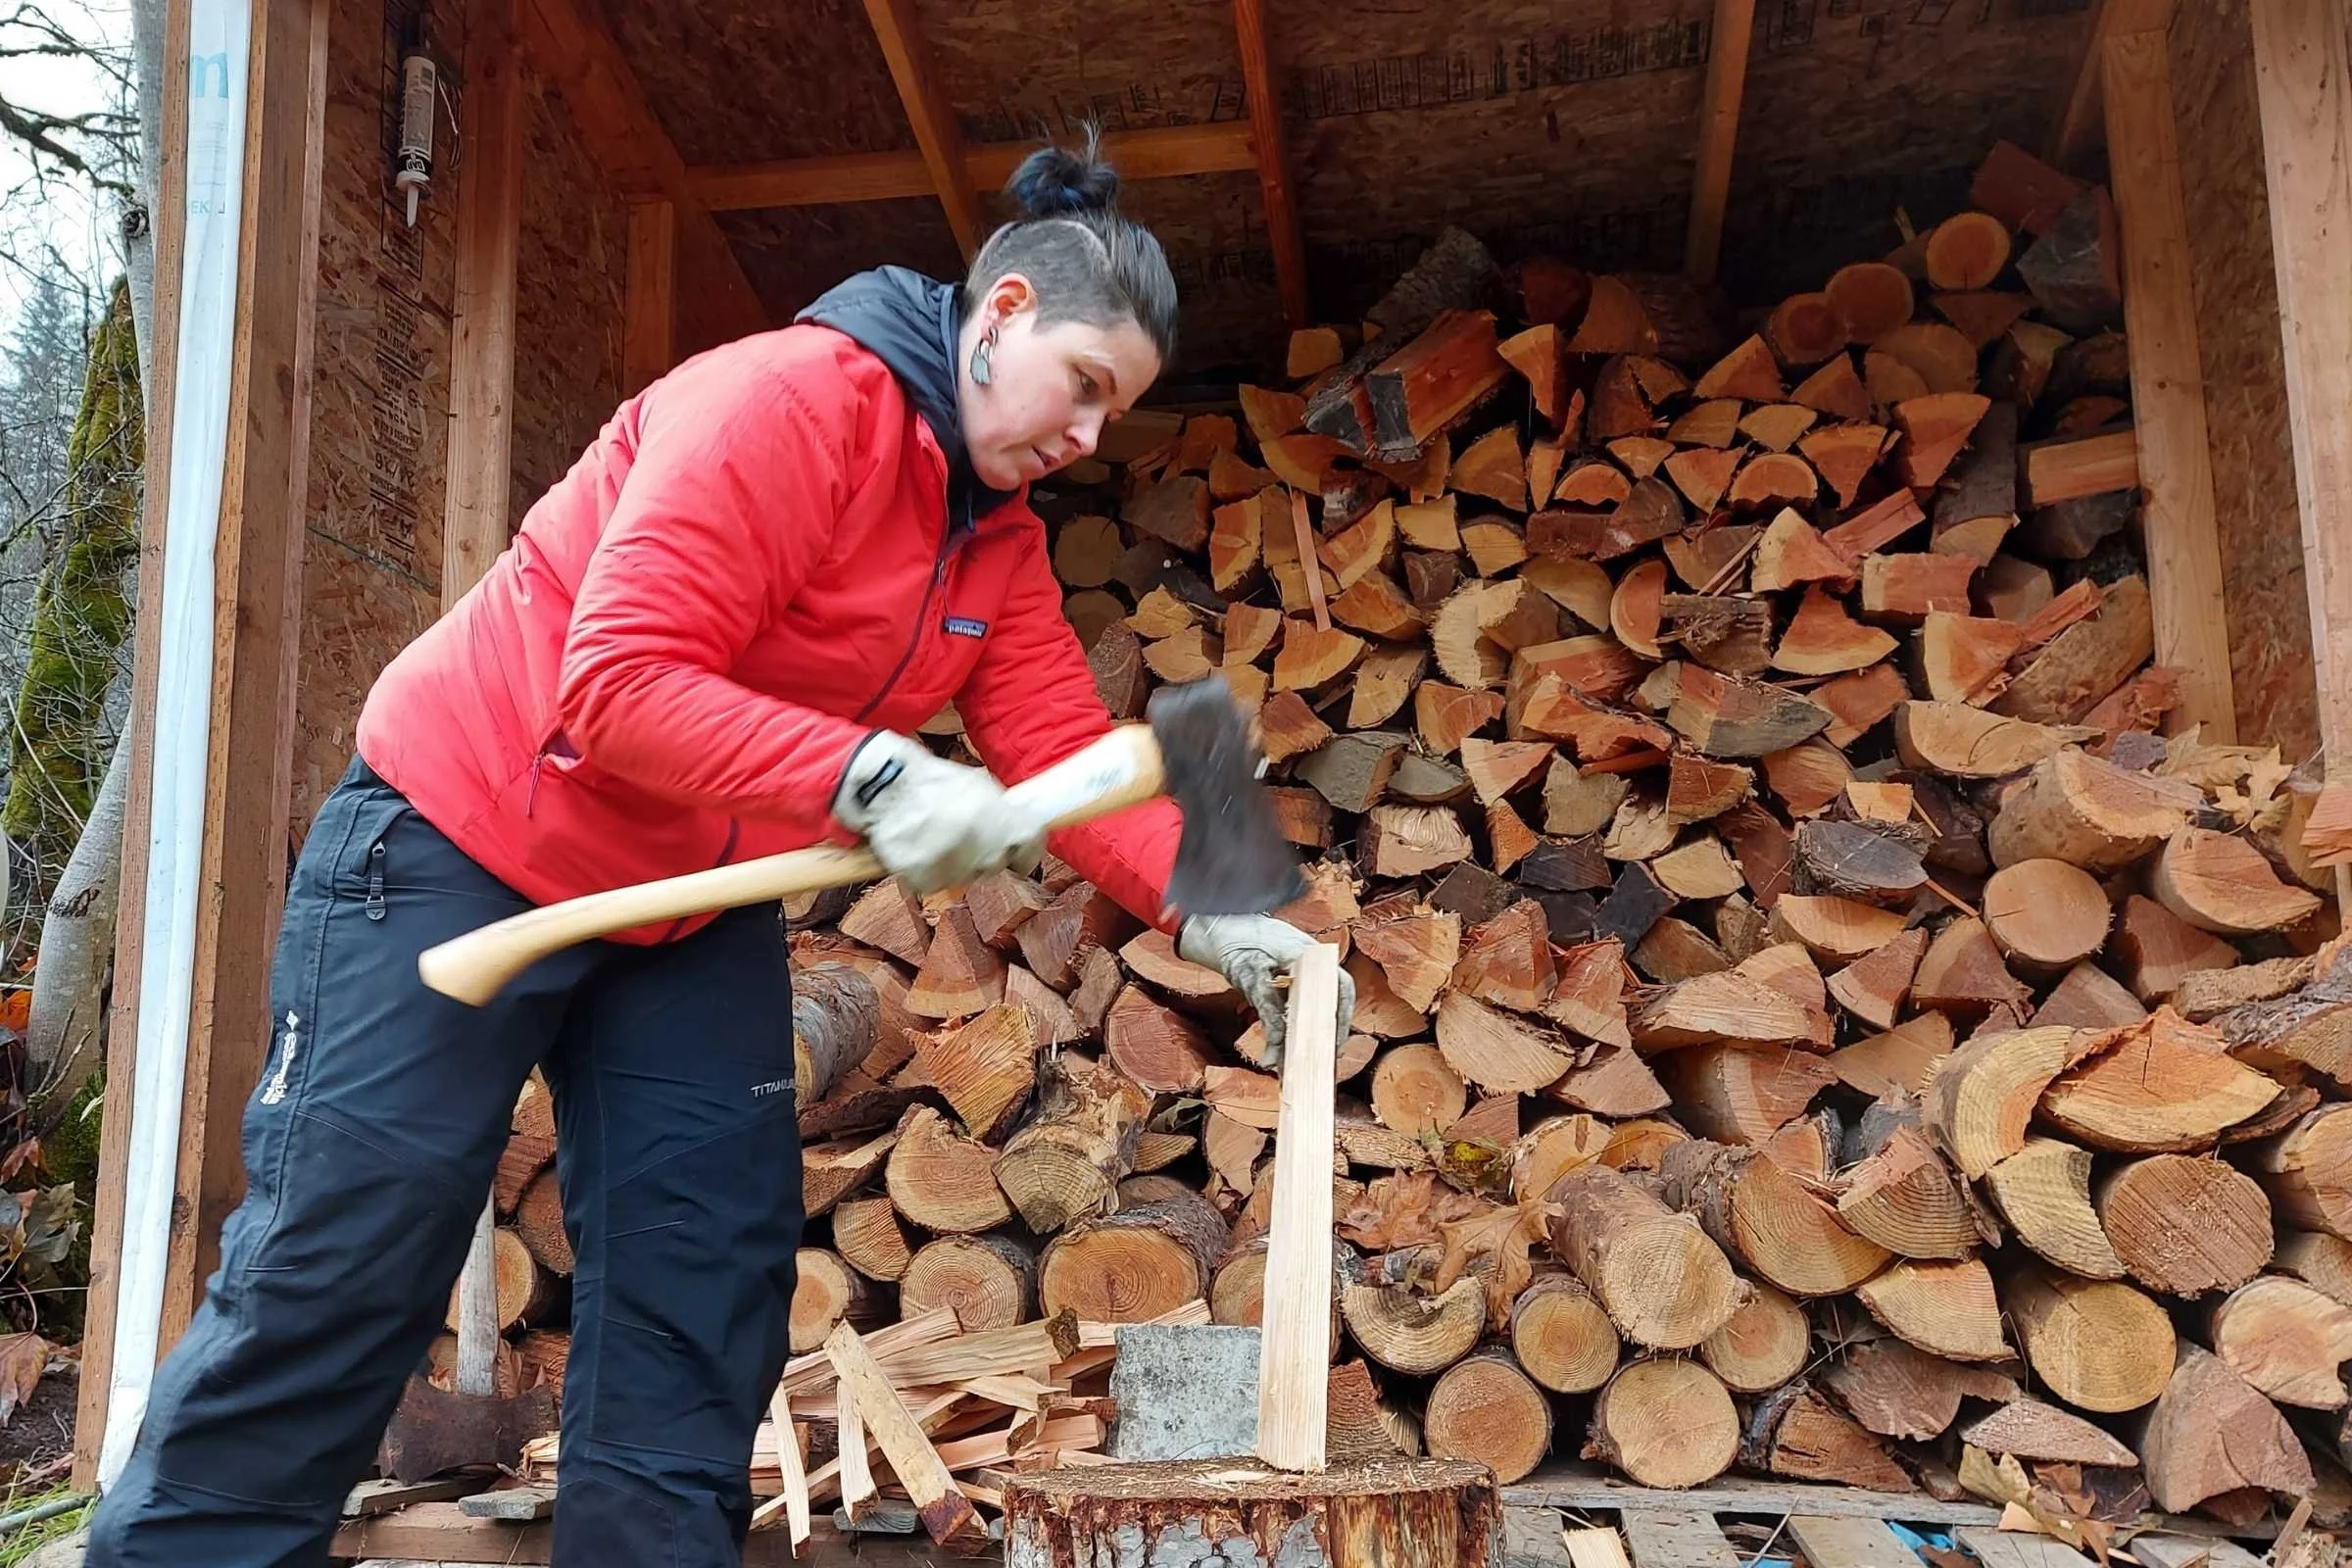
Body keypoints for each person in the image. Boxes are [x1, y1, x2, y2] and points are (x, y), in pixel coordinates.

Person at [86, 140, 1349, 1567]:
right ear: (1001, 315)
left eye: (1114, 410)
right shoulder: (792, 400)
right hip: (463, 841)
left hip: (684, 905)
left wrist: (1224, 908)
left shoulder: (992, 543)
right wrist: (868, 773)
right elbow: (616, 681)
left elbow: (1064, 746)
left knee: (704, 1284)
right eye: (1085, 383)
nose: (1090, 435)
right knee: (343, 1263)